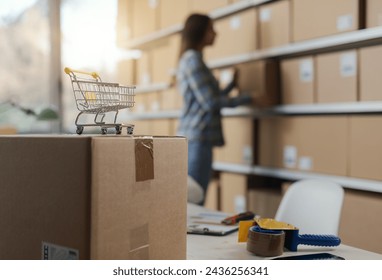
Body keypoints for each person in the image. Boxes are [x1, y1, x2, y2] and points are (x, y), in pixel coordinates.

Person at [176, 14, 252, 205]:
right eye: (211, 29)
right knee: (195, 199)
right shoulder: (193, 60)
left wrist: (231, 85)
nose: (215, 33)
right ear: (200, 32)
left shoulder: (194, 60)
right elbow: (210, 102)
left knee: (194, 198)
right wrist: (250, 98)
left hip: (198, 139)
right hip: (198, 140)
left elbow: (209, 96)